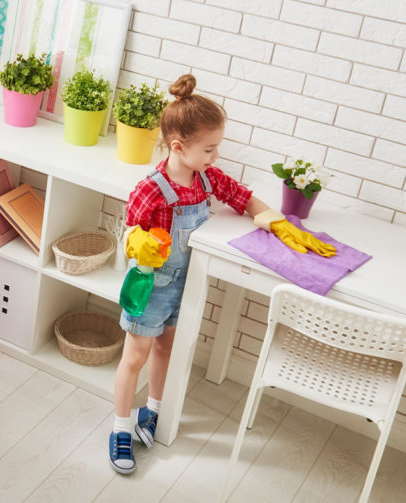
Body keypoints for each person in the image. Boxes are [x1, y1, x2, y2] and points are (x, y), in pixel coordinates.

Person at [109, 74, 335, 475]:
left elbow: (242, 196)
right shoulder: (152, 188)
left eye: (217, 147)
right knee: (134, 357)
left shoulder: (206, 178)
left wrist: (276, 222)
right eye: (209, 148)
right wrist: (135, 240)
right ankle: (120, 428)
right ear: (178, 146)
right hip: (151, 286)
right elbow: (128, 226)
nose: (215, 156)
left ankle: (153, 413)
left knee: (166, 349)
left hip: (185, 283)